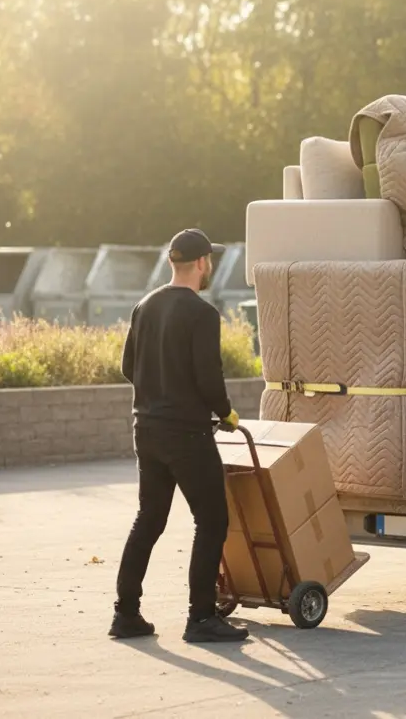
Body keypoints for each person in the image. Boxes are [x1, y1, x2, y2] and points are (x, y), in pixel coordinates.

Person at [108, 228, 248, 643]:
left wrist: (158, 394)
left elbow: (127, 367)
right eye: (211, 261)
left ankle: (126, 613)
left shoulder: (145, 306)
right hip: (186, 435)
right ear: (203, 263)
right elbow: (209, 379)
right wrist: (226, 413)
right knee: (212, 520)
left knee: (149, 519)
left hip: (146, 430)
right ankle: (201, 618)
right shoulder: (202, 314)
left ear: (173, 261)